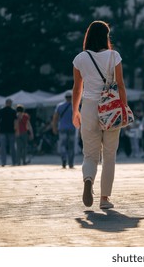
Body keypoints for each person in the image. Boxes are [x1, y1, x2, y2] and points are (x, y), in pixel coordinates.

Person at [72, 20, 129, 209]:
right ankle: (104, 199)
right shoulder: (114, 56)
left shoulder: (80, 58)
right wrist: (124, 108)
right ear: (106, 36)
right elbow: (120, 84)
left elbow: (76, 89)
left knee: (90, 154)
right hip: (110, 107)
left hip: (88, 107)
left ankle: (88, 179)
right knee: (110, 154)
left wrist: (74, 111)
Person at [52, 92, 76, 169]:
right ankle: (71, 163)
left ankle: (64, 160)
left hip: (62, 128)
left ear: (65, 97)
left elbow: (55, 118)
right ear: (71, 97)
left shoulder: (59, 106)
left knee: (63, 145)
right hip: (72, 128)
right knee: (71, 146)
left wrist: (54, 128)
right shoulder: (75, 106)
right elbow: (79, 117)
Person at [0, 99, 17, 166]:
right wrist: (16, 129)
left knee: (3, 147)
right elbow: (15, 121)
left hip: (2, 130)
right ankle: (14, 162)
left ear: (5, 103)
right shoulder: (13, 111)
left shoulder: (1, 111)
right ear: (10, 103)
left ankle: (3, 162)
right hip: (11, 131)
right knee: (12, 147)